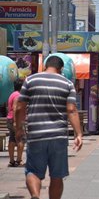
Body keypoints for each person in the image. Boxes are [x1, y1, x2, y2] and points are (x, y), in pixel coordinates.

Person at [15, 55, 83, 199]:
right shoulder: (67, 84)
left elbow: (19, 107)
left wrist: (19, 128)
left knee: (33, 171)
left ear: (45, 65)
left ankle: (35, 195)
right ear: (61, 69)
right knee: (57, 176)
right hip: (58, 135)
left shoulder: (31, 80)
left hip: (36, 134)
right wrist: (78, 134)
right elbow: (71, 110)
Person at [6, 79, 25, 167]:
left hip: (9, 118)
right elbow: (15, 108)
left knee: (12, 139)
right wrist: (15, 122)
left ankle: (11, 160)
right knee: (21, 139)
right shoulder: (18, 95)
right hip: (15, 120)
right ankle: (19, 160)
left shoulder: (12, 94)